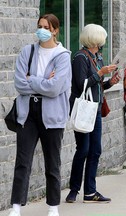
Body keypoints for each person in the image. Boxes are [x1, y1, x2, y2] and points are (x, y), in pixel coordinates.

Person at [9, 14, 72, 216]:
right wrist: (43, 81)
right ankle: (16, 206)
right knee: (22, 160)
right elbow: (19, 84)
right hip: (28, 113)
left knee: (52, 162)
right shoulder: (27, 52)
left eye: (46, 27)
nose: (41, 30)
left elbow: (55, 89)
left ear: (55, 30)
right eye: (39, 26)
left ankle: (53, 206)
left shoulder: (63, 56)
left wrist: (33, 80)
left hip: (52, 115)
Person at [65, 24, 120, 204]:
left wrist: (110, 82)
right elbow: (80, 85)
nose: (104, 41)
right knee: (83, 149)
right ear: (96, 39)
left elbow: (97, 86)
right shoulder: (80, 57)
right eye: (102, 38)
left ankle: (90, 191)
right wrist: (99, 73)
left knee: (95, 150)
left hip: (94, 108)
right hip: (83, 109)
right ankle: (74, 190)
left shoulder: (98, 57)